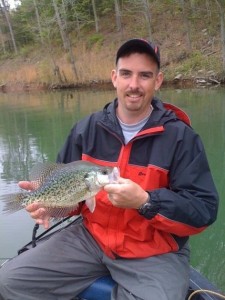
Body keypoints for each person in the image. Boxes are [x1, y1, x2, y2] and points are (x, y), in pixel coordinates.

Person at [0, 39, 219, 300]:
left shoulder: (181, 138)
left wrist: (146, 201)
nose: (134, 85)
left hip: (153, 251)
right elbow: (73, 200)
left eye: (145, 75)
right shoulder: (86, 129)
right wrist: (49, 205)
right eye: (126, 73)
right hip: (90, 238)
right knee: (9, 283)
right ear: (114, 77)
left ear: (158, 81)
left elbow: (203, 211)